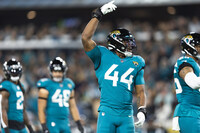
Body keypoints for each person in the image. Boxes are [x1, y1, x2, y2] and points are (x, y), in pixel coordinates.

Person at [81, 1, 147, 133]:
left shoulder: (137, 61)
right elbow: (85, 38)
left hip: (126, 114)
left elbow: (140, 91)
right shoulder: (102, 55)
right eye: (126, 41)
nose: (130, 44)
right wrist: (98, 14)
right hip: (107, 112)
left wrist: (142, 110)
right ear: (116, 43)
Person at [37, 57, 84, 133]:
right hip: (52, 121)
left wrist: (78, 122)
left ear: (64, 71)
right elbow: (41, 110)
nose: (57, 74)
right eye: (55, 71)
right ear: (51, 71)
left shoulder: (68, 84)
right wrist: (43, 125)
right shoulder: (45, 86)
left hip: (65, 121)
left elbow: (73, 106)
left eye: (60, 71)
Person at [173, 32, 200, 133]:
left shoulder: (197, 65)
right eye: (199, 46)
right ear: (190, 47)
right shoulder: (184, 61)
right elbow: (193, 83)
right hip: (189, 112)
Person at [0, 58, 34, 133]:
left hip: (21, 126)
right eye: (13, 73)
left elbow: (23, 110)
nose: (15, 74)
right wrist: (6, 130)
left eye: (16, 72)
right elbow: (2, 110)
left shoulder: (21, 86)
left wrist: (30, 128)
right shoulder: (5, 86)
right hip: (11, 126)